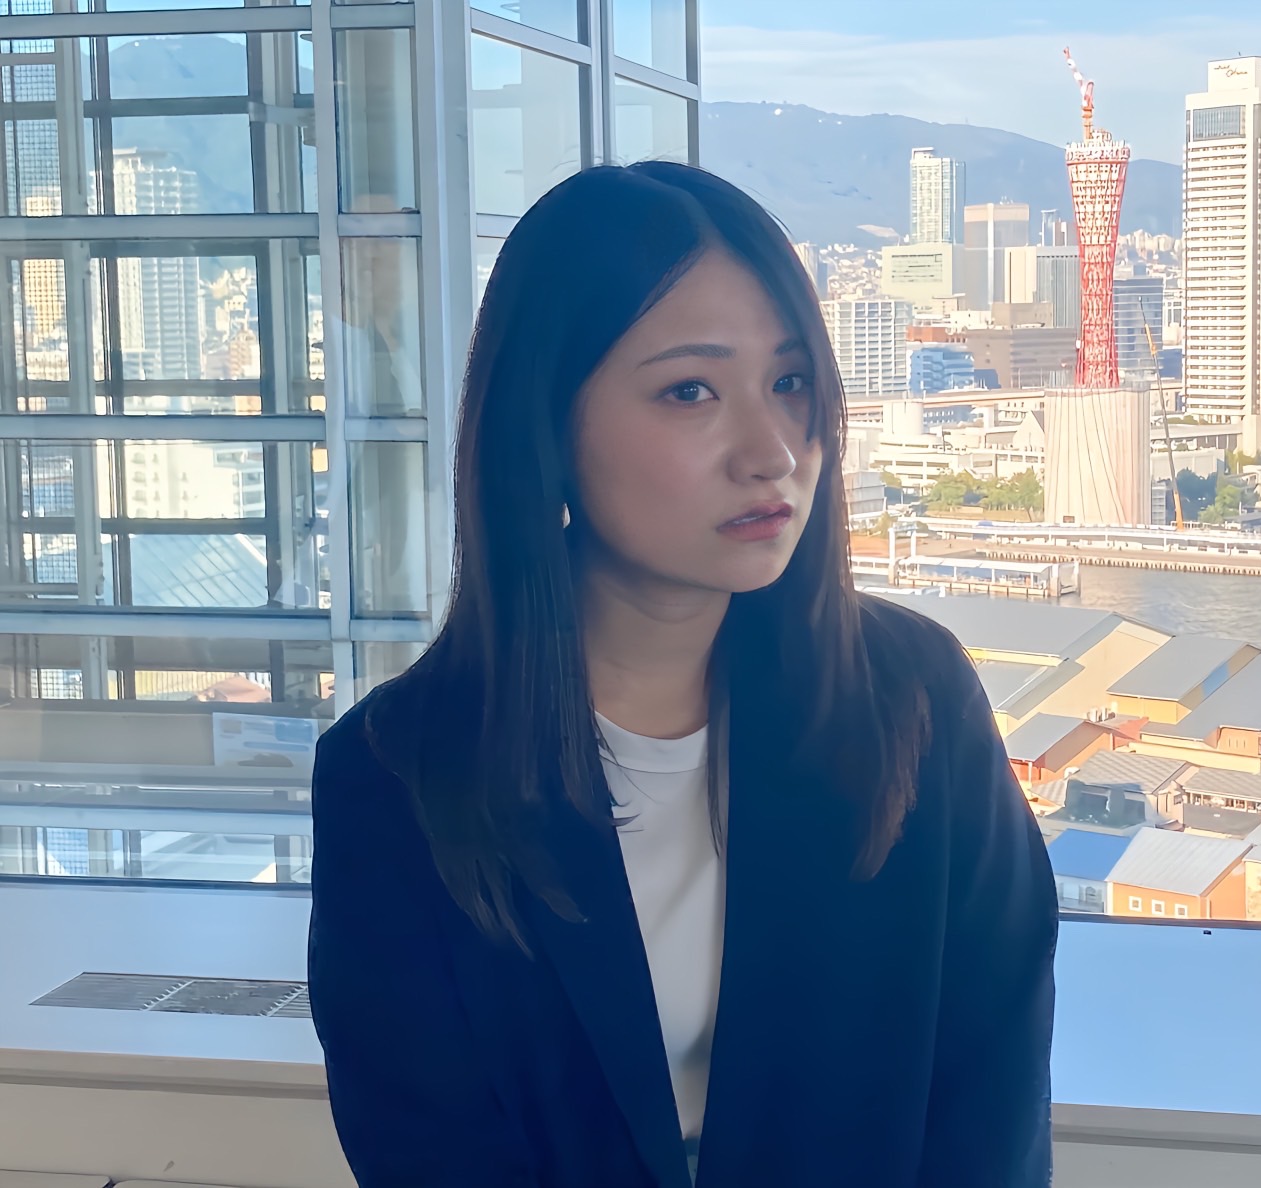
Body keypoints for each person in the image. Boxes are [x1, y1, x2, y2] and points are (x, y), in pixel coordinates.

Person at [308, 162, 1058, 1188]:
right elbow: (427, 1151)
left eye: (789, 383)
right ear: (547, 426)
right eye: (690, 391)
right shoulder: (397, 775)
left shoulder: (912, 699)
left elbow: (988, 1106)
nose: (771, 452)